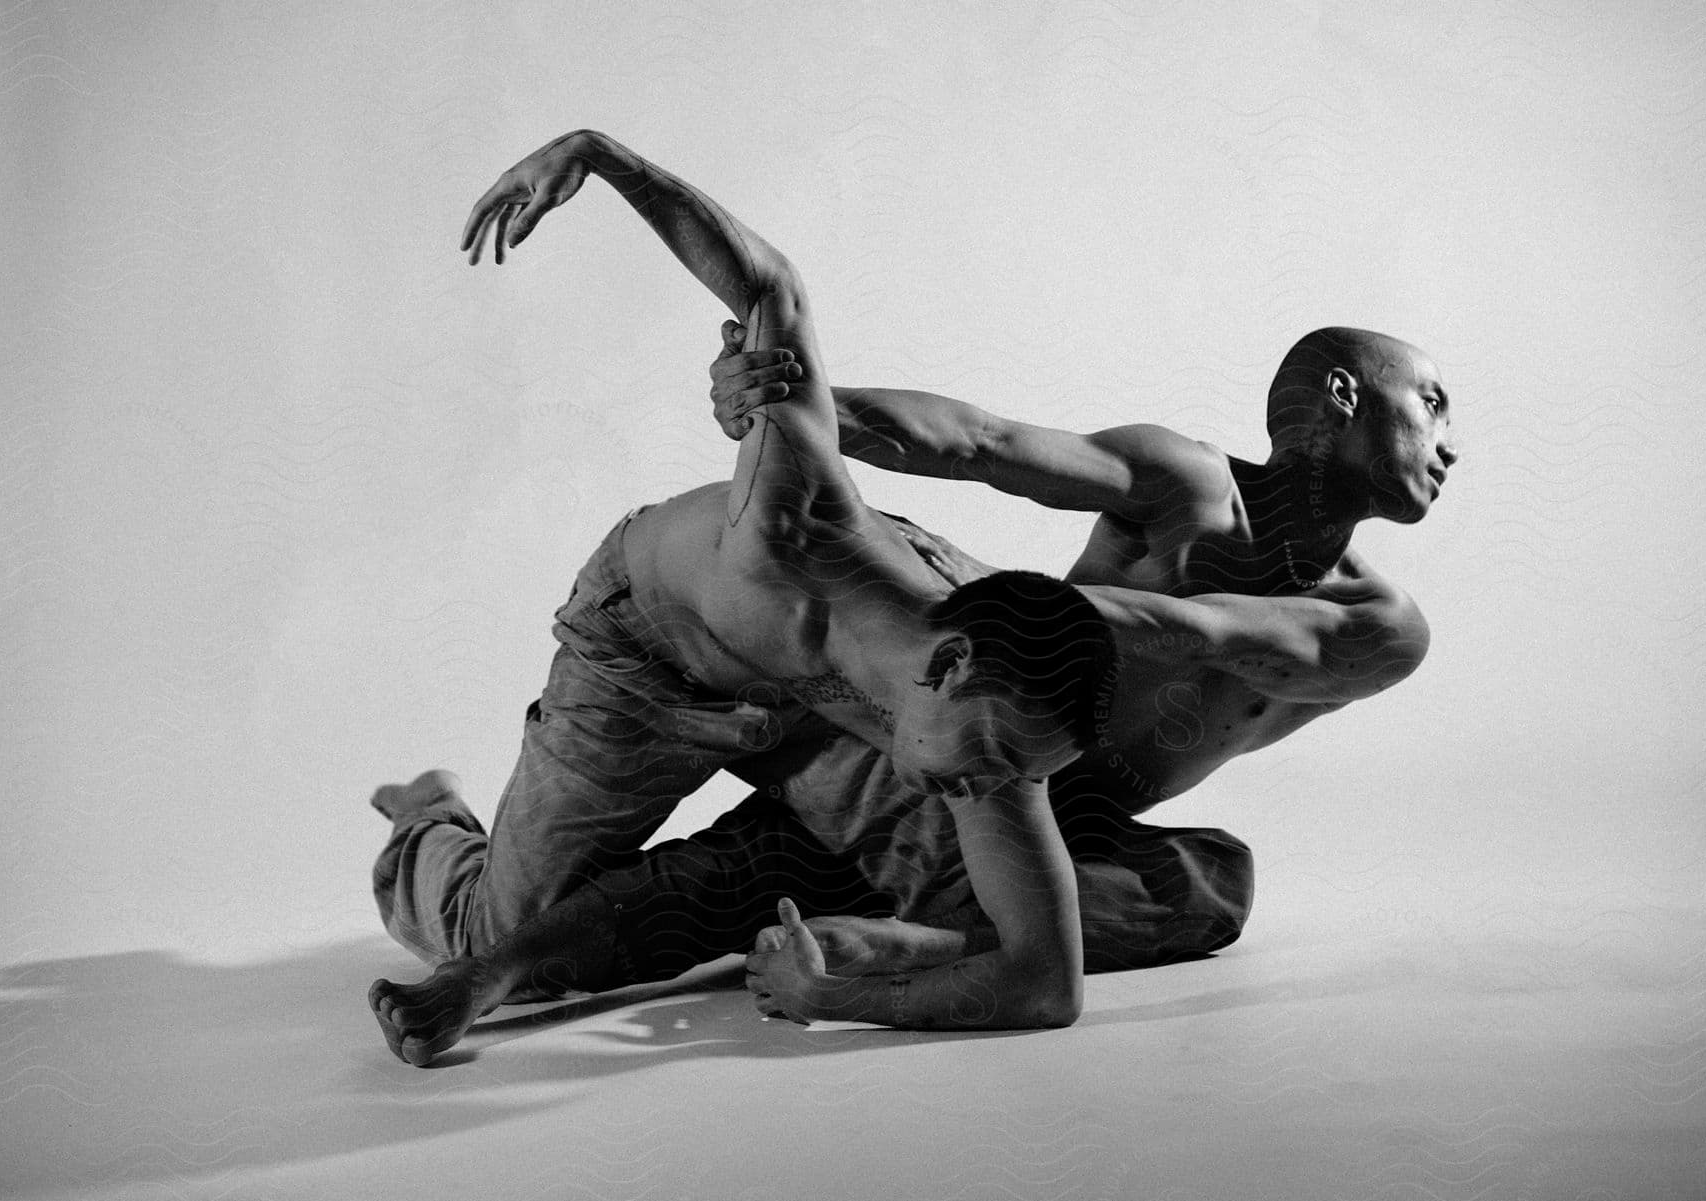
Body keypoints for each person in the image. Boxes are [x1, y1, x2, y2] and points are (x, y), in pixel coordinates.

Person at [366, 129, 1119, 1065]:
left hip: (818, 708)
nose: (992, 788)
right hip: (651, 656)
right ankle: (424, 814)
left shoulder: (999, 727)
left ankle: (763, 871)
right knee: (487, 935)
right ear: (951, 661)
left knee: (970, 897)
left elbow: (1049, 983)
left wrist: (838, 994)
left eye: (1017, 772)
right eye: (996, 757)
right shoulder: (795, 528)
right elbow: (773, 290)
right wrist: (597, 156)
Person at [571, 320, 1456, 1010]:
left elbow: (1209, 634)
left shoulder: (1383, 625)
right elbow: (981, 441)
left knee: (1213, 884)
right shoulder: (1182, 481)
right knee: (553, 931)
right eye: (1434, 404)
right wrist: (797, 407)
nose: (1450, 444)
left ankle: (912, 929)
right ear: (1344, 394)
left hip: (1050, 818)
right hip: (951, 729)